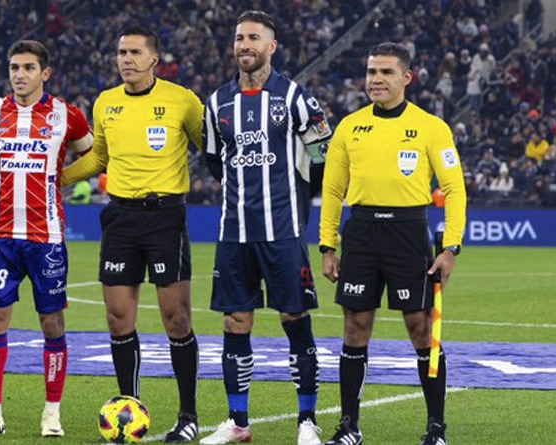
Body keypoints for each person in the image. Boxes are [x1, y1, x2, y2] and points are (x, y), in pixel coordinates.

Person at [61, 25, 204, 444]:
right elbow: (98, 159)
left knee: (176, 319)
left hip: (165, 217)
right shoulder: (106, 102)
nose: (126, 59)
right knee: (118, 319)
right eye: (122, 52)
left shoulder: (182, 100)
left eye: (135, 52)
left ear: (154, 59)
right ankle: (129, 409)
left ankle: (188, 415)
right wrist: (57, 178)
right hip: (120, 218)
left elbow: (210, 148)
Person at [319, 42, 467, 445]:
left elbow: (455, 189)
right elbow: (332, 190)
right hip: (362, 233)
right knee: (355, 329)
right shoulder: (349, 127)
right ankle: (349, 427)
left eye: (386, 72)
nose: (376, 79)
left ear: (407, 77)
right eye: (371, 72)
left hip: (408, 234)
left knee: (421, 329)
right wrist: (327, 245)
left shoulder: (432, 127)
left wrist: (451, 247)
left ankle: (436, 428)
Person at [199, 10, 331, 445]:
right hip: (234, 233)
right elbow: (216, 163)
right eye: (240, 38)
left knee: (295, 318)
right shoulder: (216, 103)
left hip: (284, 232)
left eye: (254, 38)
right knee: (235, 321)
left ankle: (307, 421)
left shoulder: (296, 97)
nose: (245, 45)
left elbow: (323, 157)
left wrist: (297, 199)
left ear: (271, 46)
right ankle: (237, 422)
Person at [0, 39, 93, 438]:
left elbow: (91, 154)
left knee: (51, 322)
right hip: (1, 234)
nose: (20, 74)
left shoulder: (67, 115)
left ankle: (51, 413)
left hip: (45, 236)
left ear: (44, 73)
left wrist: (62, 178)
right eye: (14, 67)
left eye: (28, 68)